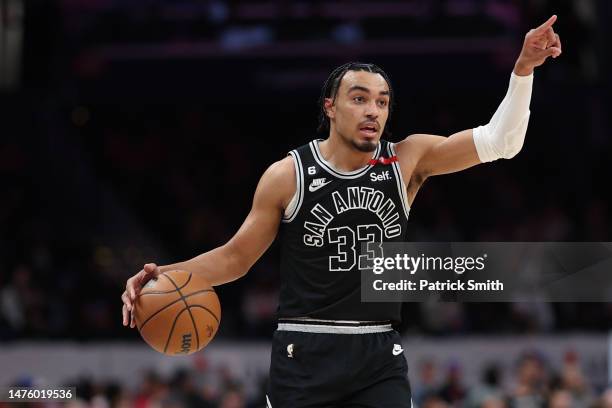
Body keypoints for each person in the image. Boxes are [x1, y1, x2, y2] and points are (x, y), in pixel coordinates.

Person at [121, 16, 562, 408]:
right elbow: (235, 259)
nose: (373, 110)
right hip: (303, 354)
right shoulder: (289, 174)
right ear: (330, 107)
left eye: (383, 101)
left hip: (377, 354)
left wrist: (523, 70)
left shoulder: (408, 159)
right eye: (359, 98)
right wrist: (163, 275)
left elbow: (503, 142)